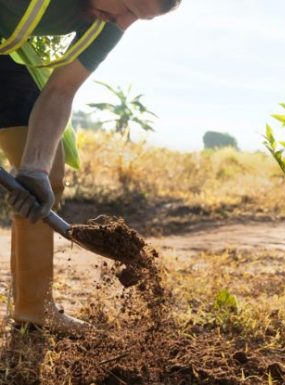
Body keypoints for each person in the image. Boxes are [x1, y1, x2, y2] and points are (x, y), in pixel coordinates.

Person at [0, 0, 180, 334]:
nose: (124, 22)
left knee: (46, 171)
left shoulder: (110, 22)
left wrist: (35, 168)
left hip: (6, 62)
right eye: (127, 7)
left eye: (139, 19)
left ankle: (34, 311)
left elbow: (61, 89)